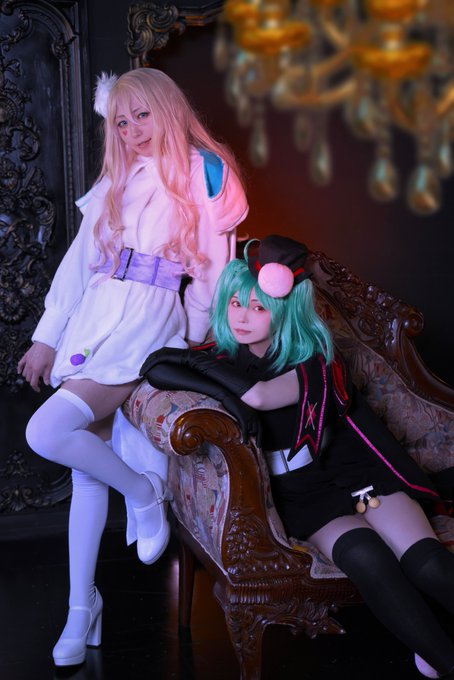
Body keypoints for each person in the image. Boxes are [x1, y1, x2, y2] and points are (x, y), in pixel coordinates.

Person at [141, 235, 454, 679]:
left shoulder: (316, 360)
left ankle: (435, 649)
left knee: (427, 564)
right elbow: (155, 365)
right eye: (235, 304)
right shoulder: (226, 355)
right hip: (304, 492)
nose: (242, 317)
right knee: (367, 558)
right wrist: (221, 393)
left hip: (356, 473)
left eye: (258, 307)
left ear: (284, 311)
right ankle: (442, 657)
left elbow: (261, 396)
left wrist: (210, 374)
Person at [17, 67, 248, 667]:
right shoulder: (117, 178)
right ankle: (81, 608)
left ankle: (144, 493)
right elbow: (79, 262)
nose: (133, 130)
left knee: (45, 431)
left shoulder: (204, 172)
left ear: (168, 109)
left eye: (142, 115)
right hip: (94, 318)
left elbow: (212, 272)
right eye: (121, 122)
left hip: (148, 321)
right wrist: (47, 336)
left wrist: (190, 342)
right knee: (86, 476)